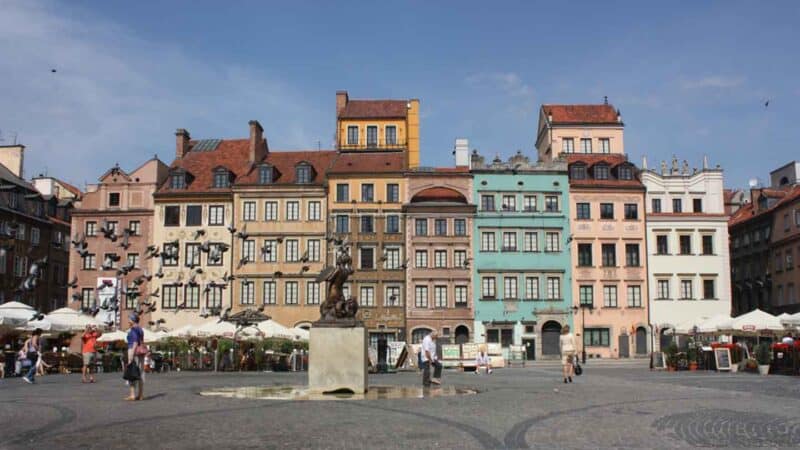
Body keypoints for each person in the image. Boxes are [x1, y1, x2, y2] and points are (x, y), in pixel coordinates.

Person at [125, 314, 145, 401]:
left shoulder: (133, 329)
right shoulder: (140, 329)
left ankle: (132, 395)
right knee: (140, 373)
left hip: (133, 351)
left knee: (132, 371)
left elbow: (135, 342)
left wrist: (131, 356)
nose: (128, 321)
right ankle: (140, 395)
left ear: (133, 320)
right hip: (141, 352)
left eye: (129, 319)